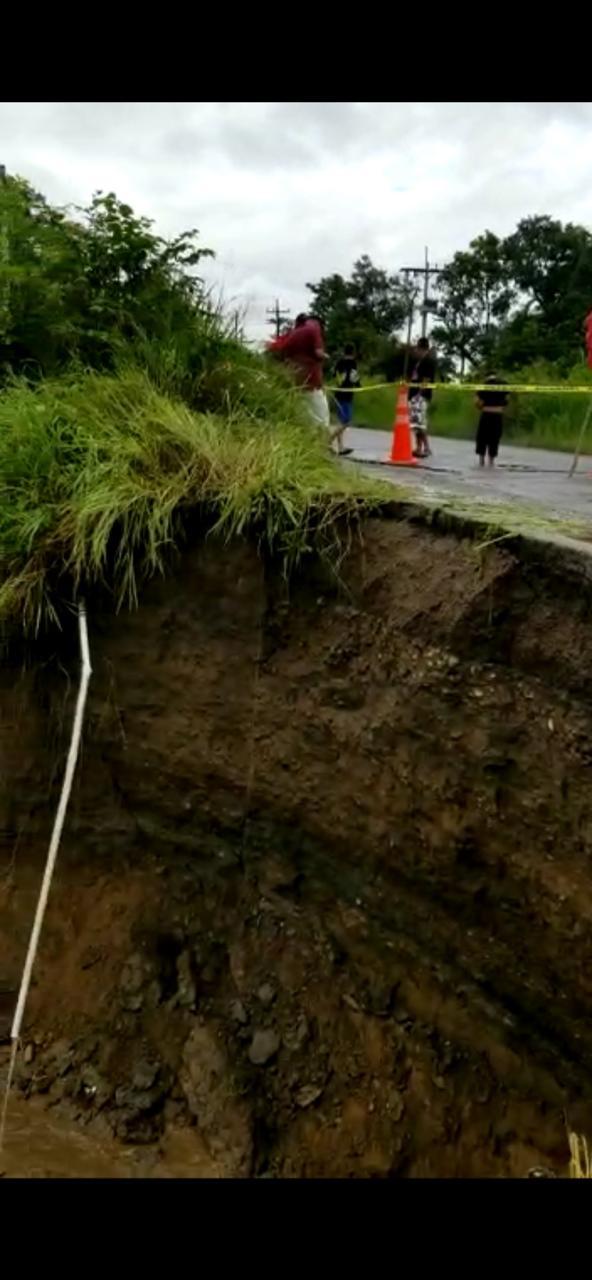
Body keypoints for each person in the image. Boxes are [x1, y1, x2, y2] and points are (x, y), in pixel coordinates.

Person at [267, 313, 330, 431]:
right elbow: (318, 353)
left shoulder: (293, 333)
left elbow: (280, 354)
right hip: (312, 383)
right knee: (321, 418)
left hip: (296, 382)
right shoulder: (313, 329)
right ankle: (323, 443)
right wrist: (327, 357)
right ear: (319, 324)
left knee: (306, 417)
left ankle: (309, 443)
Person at [408, 337, 436, 458]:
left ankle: (427, 448)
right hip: (414, 395)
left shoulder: (428, 361)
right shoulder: (418, 362)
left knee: (420, 423)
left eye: (417, 349)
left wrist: (420, 393)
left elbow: (426, 380)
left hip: (421, 396)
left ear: (421, 348)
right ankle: (418, 447)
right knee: (416, 423)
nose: (416, 351)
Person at [475, 373, 509, 467]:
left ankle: (481, 460)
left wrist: (480, 407)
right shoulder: (504, 385)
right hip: (498, 414)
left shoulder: (484, 385)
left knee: (482, 438)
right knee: (495, 438)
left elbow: (477, 402)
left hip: (486, 413)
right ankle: (491, 461)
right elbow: (507, 400)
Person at [332, 342, 360, 455]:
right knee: (346, 422)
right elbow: (354, 376)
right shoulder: (353, 363)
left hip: (339, 392)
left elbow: (334, 375)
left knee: (340, 421)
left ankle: (341, 447)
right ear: (353, 352)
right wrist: (358, 385)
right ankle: (328, 441)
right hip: (347, 394)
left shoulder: (339, 362)